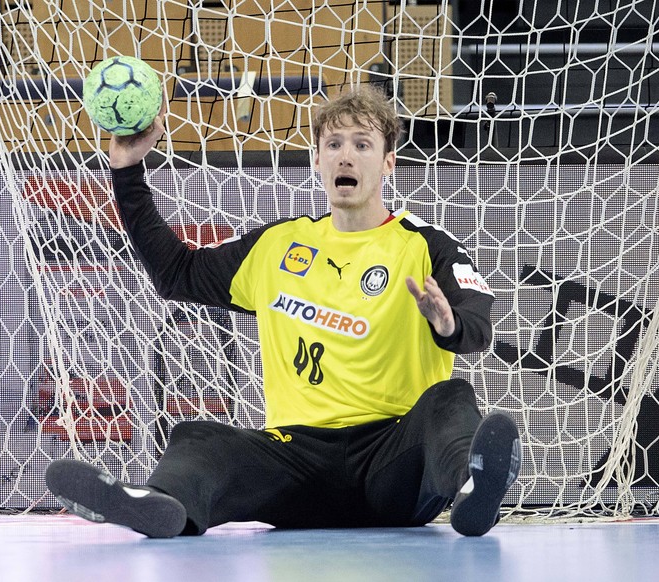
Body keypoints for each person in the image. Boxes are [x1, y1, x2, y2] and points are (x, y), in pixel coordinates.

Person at [45, 84, 520, 538]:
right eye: (333, 143)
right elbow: (176, 273)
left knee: (449, 400)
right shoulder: (278, 246)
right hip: (298, 462)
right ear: (317, 160)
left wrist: (448, 322)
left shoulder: (426, 244)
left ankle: (473, 488)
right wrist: (127, 170)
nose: (346, 155)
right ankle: (163, 505)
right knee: (198, 439)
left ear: (388, 162)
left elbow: (478, 327)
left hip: (393, 458)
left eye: (362, 144)